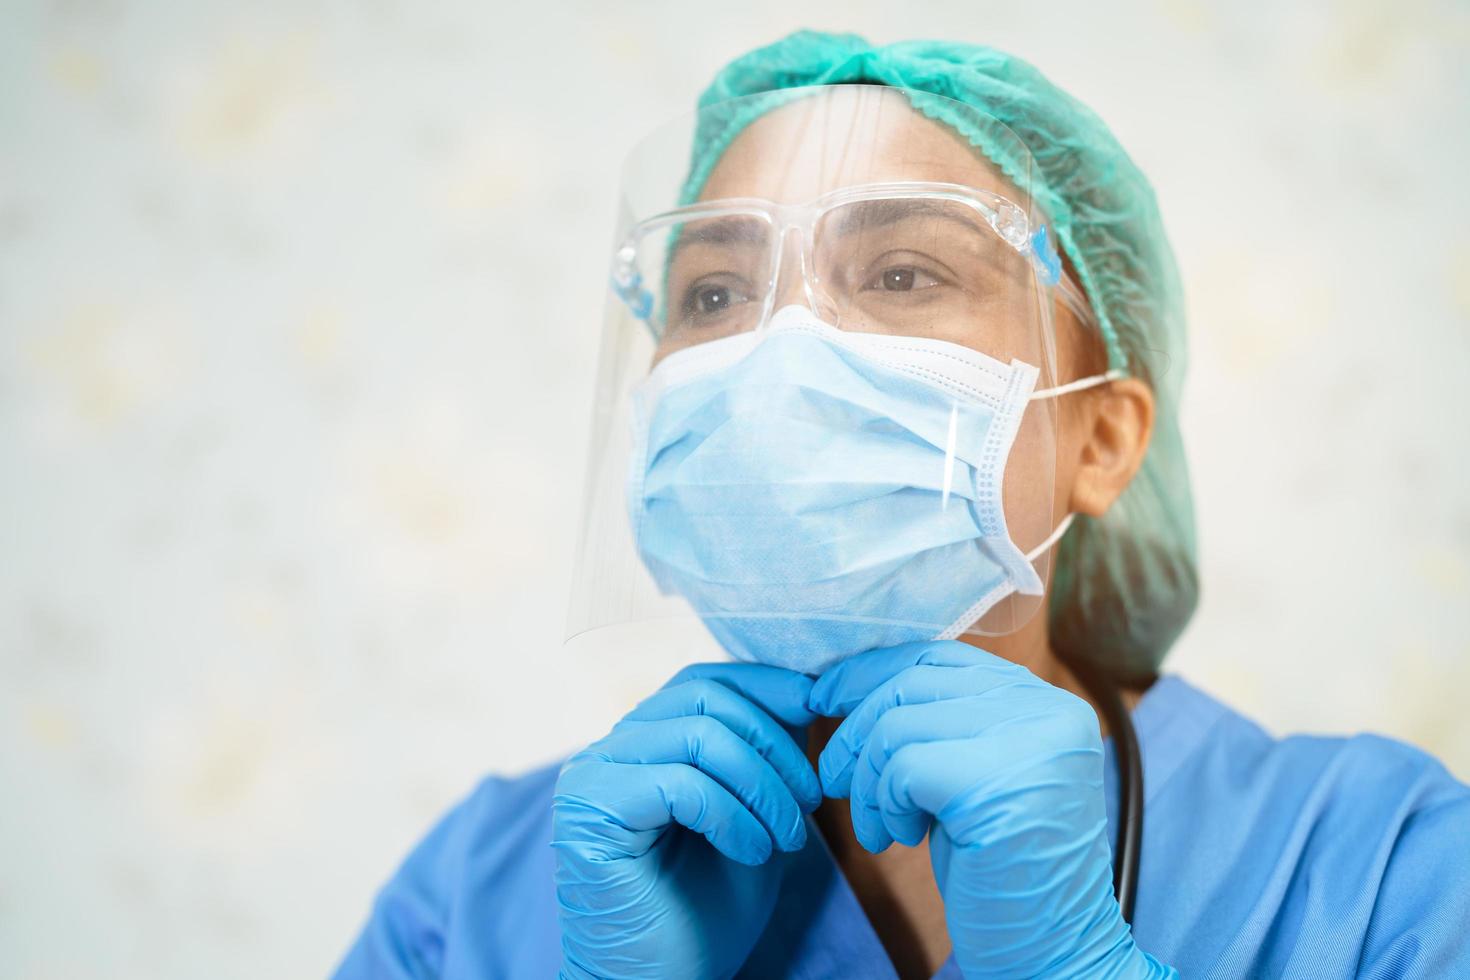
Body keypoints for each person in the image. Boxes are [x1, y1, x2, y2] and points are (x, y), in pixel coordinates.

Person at [332, 32, 1470, 980]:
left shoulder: (1379, 865)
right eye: (713, 292)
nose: (778, 348)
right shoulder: (480, 892)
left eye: (901, 273)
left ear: (1103, 435)